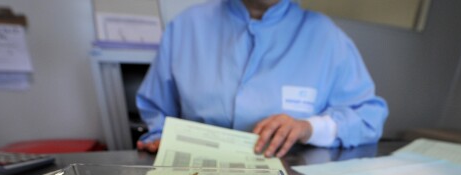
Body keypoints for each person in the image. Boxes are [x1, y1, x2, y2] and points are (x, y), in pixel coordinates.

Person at [136, 0, 388, 158]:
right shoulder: (186, 26)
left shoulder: (326, 36)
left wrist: (308, 127)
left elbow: (368, 118)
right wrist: (160, 137)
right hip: (194, 174)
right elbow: (156, 110)